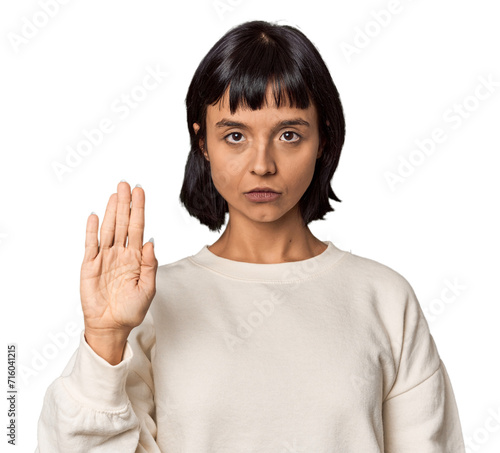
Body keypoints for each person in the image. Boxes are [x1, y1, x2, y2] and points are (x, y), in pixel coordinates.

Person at [35, 20, 466, 452]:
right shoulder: (148, 302)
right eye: (236, 135)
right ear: (202, 141)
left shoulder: (385, 299)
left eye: (289, 135)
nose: (262, 164)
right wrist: (106, 339)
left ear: (324, 140)